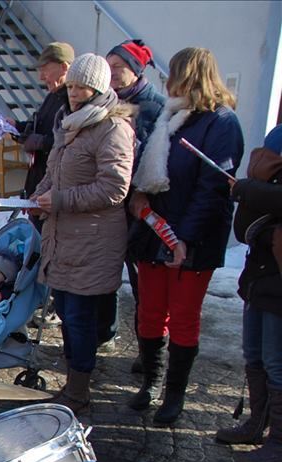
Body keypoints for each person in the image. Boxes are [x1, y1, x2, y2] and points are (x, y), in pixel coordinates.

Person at [127, 47, 244, 425]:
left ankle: (173, 395)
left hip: (191, 240)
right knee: (148, 312)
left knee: (182, 317)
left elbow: (212, 189)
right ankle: (150, 382)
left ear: (189, 75)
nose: (166, 81)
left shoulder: (221, 123)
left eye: (172, 73)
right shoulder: (170, 115)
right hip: (155, 231)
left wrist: (184, 238)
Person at [30, 53, 135, 414]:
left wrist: (57, 199)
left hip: (94, 240)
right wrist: (36, 196)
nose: (74, 93)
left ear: (99, 88)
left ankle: (79, 390)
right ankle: (73, 386)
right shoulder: (69, 123)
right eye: (71, 85)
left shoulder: (112, 128)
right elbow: (53, 171)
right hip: (63, 237)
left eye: (82, 87)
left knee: (79, 317)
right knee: (67, 313)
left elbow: (114, 188)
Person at [97, 39, 168, 357]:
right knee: (107, 271)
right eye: (107, 66)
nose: (111, 72)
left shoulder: (156, 107)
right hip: (111, 204)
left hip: (140, 205)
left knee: (142, 282)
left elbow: (156, 159)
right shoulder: (106, 101)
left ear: (136, 71)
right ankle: (105, 332)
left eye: (118, 67)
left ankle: (147, 348)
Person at [219, 125, 282, 462]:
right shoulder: (274, 140)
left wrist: (250, 191)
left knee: (276, 363)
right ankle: (257, 424)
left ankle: (279, 441)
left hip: (277, 284)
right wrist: (252, 192)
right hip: (259, 276)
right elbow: (245, 227)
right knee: (255, 354)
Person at [15, 42, 74, 204]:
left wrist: (42, 142)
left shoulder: (73, 101)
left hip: (56, 189)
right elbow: (39, 124)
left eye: (45, 69)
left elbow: (72, 143)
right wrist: (17, 127)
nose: (41, 77)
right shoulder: (52, 96)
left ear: (64, 67)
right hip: (39, 180)